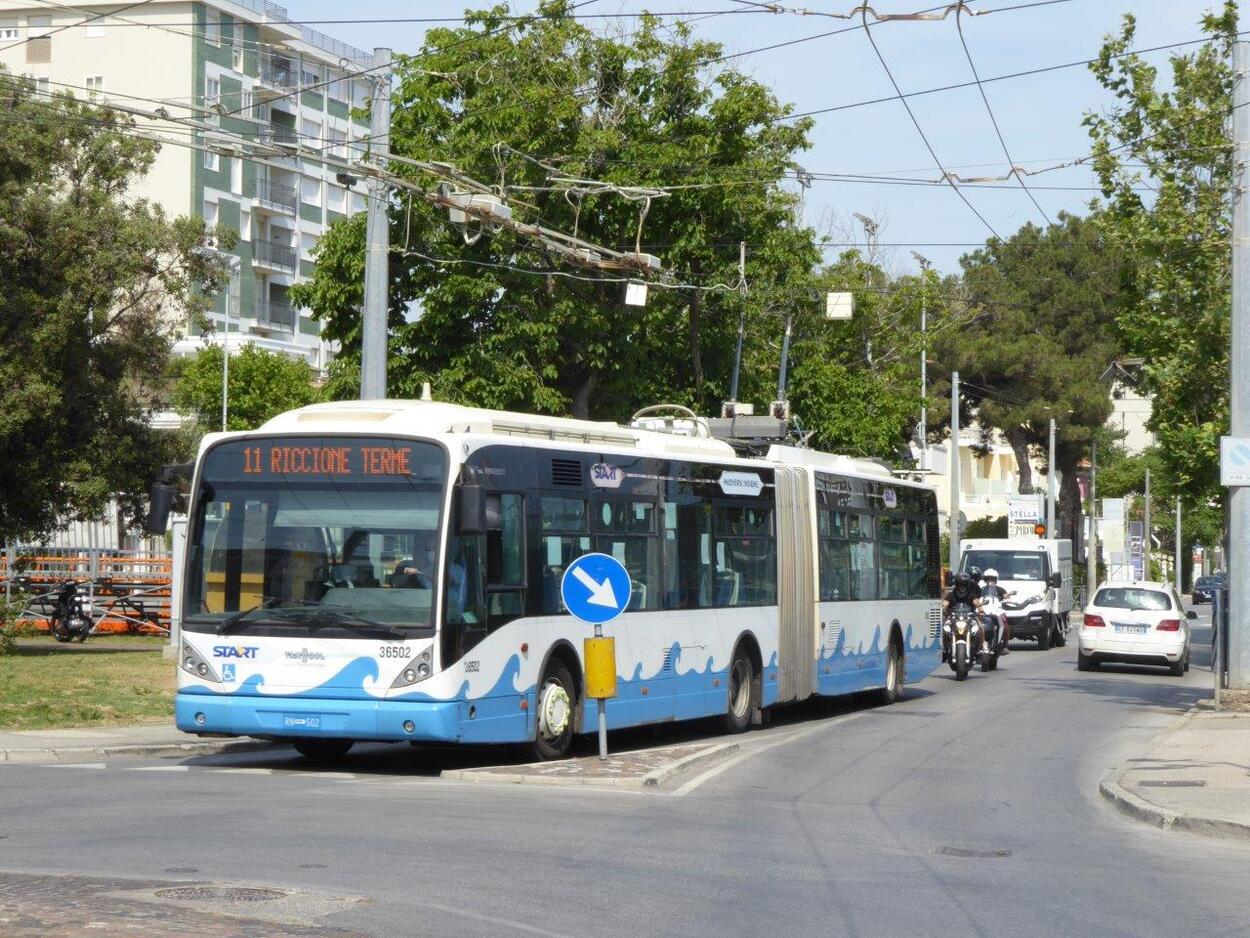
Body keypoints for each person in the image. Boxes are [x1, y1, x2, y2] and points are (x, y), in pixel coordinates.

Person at [979, 567, 1014, 654]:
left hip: (996, 609)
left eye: (992, 578)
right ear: (984, 579)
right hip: (984, 608)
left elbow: (1006, 596)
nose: (990, 580)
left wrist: (1009, 594)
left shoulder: (999, 589)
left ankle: (1004, 645)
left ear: (996, 579)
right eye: (987, 578)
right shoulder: (981, 589)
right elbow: (975, 598)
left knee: (1006, 624)